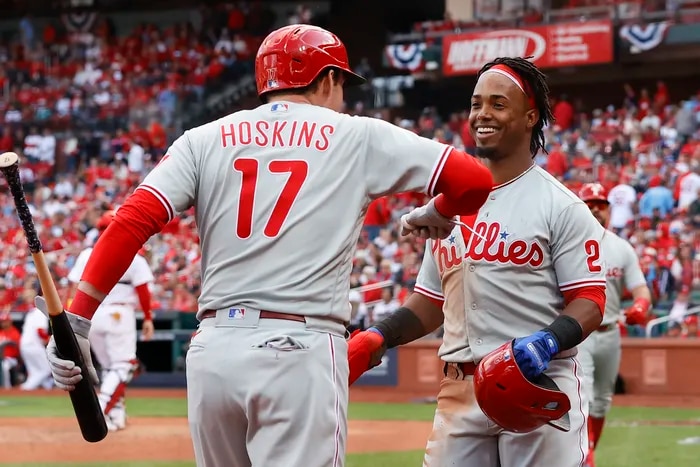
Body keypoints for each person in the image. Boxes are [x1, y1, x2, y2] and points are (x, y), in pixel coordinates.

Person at [44, 24, 493, 467]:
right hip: (300, 348)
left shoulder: (202, 139)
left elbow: (132, 221)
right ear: (329, 78)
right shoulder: (357, 134)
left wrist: (79, 321)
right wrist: (437, 211)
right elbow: (475, 181)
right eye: (342, 83)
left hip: (214, 352)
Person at [348, 56, 608, 467]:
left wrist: (548, 340)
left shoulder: (563, 206)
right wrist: (378, 337)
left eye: (498, 104)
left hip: (536, 385)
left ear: (529, 117)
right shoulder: (446, 208)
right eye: (476, 104)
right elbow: (431, 303)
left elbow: (590, 300)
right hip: (459, 389)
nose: (483, 114)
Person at [577, 182, 652, 467]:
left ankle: (588, 450)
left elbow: (641, 289)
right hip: (578, 334)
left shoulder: (621, 248)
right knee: (581, 398)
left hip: (609, 333)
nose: (595, 209)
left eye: (601, 204)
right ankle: (588, 459)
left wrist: (641, 305)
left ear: (608, 210)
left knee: (602, 401)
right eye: (589, 204)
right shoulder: (565, 242)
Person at [66, 210, 156, 432]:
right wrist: (147, 318)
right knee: (123, 366)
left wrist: (71, 313)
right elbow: (144, 291)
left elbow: (71, 286)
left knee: (110, 368)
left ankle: (117, 416)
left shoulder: (87, 254)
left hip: (92, 315)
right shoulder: (133, 254)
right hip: (119, 315)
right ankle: (101, 411)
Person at [19, 296, 53, 390]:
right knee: (46, 369)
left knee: (35, 372)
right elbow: (40, 331)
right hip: (33, 345)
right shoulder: (40, 312)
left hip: (25, 345)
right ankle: (26, 388)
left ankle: (47, 389)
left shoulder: (32, 312)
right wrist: (49, 340)